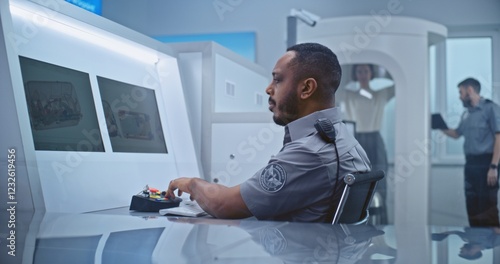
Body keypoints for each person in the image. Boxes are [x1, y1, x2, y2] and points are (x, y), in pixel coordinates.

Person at [166, 43, 371, 222]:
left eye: (277, 80)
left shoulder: (310, 152)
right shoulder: (345, 140)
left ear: (307, 88)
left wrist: (192, 184)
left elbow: (224, 206)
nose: (268, 89)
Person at [441, 77, 500, 227]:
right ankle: (475, 247)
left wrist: (493, 166)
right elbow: (456, 134)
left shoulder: (490, 108)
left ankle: (493, 247)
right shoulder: (466, 114)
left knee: (487, 207)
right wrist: (439, 126)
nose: (460, 96)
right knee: (472, 205)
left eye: (461, 92)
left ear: (469, 90)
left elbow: (498, 137)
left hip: (487, 164)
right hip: (471, 164)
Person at [342, 64, 395, 224]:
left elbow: (397, 83)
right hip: (356, 139)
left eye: (366, 71)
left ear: (372, 73)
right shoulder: (348, 94)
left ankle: (381, 225)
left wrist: (381, 70)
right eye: (359, 71)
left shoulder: (381, 95)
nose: (363, 74)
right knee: (356, 181)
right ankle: (357, 223)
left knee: (380, 182)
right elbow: (336, 84)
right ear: (355, 74)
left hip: (375, 140)